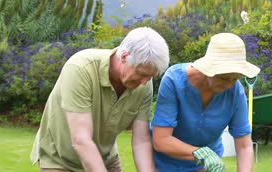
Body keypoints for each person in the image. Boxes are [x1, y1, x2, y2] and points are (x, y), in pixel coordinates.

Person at [30, 27, 170, 172]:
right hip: (60, 160)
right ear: (124, 57)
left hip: (106, 159)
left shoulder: (144, 84)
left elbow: (141, 141)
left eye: (151, 76)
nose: (144, 82)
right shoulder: (81, 69)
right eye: (141, 74)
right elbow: (81, 139)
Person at [151, 33, 260, 172]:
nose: (229, 86)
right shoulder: (174, 81)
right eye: (224, 78)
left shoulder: (235, 92)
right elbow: (161, 140)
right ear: (208, 69)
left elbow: (244, 145)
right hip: (164, 165)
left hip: (205, 168)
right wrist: (201, 153)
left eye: (235, 78)